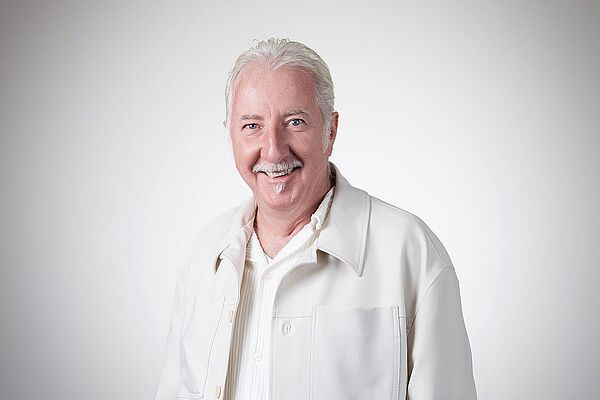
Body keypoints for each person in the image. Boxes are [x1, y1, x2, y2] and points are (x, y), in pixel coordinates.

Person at [155, 38, 477, 400]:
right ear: (230, 133)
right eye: (252, 125)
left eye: (295, 122)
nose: (273, 150)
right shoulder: (204, 253)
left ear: (331, 130)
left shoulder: (411, 252)